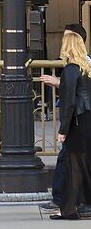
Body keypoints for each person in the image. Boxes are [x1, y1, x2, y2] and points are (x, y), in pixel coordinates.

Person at [39, 24, 90, 210]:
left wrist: (63, 130)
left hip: (78, 119)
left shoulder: (71, 68)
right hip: (84, 118)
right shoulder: (86, 66)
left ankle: (66, 201)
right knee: (77, 161)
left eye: (67, 37)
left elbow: (70, 101)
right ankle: (71, 201)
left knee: (75, 161)